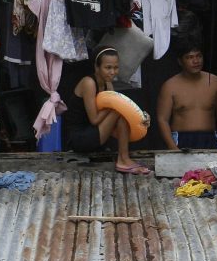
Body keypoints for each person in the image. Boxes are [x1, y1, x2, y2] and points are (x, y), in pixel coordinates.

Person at [63, 47, 152, 175]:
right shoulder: (88, 83)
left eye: (116, 68)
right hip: (79, 138)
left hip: (95, 135)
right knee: (118, 111)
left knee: (121, 112)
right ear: (96, 67)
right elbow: (94, 120)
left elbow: (117, 118)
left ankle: (124, 159)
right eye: (108, 67)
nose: (112, 72)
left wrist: (140, 117)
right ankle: (123, 160)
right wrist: (114, 106)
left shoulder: (108, 85)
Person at [156, 41, 217, 151]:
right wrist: (172, 147)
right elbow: (162, 119)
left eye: (199, 56)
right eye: (189, 57)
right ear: (180, 61)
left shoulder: (215, 82)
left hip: (210, 139)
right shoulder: (169, 86)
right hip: (181, 139)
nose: (196, 61)